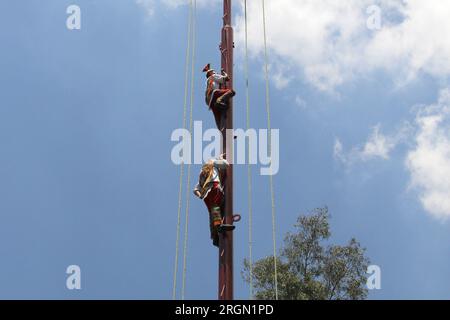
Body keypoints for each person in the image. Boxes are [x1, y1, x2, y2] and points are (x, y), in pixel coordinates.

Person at [193, 155, 235, 247]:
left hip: (206, 195)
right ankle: (219, 226)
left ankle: (215, 237)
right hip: (214, 188)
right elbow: (226, 164)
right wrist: (219, 159)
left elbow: (195, 189)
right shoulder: (213, 163)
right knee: (217, 207)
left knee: (213, 211)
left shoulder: (202, 174)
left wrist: (200, 196)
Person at [202, 63, 236, 131]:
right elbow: (226, 78)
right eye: (214, 72)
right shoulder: (213, 76)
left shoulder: (208, 81)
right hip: (215, 94)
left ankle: (226, 132)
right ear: (211, 73)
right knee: (231, 92)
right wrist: (224, 72)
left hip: (210, 102)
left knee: (219, 118)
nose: (215, 72)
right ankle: (219, 101)